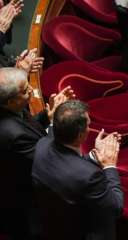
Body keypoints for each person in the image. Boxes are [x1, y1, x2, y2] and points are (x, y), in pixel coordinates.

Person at [32, 100, 124, 240]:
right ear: (81, 135)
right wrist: (109, 165)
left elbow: (68, 166)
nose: (89, 126)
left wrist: (95, 155)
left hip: (52, 225)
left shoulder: (41, 144)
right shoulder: (91, 176)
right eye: (88, 124)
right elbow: (116, 208)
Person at [0, 67, 73, 239]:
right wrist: (56, 122)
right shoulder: (11, 133)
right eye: (26, 90)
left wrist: (47, 116)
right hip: (23, 203)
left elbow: (27, 124)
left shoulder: (13, 107)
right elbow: (47, 158)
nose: (31, 90)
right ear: (10, 101)